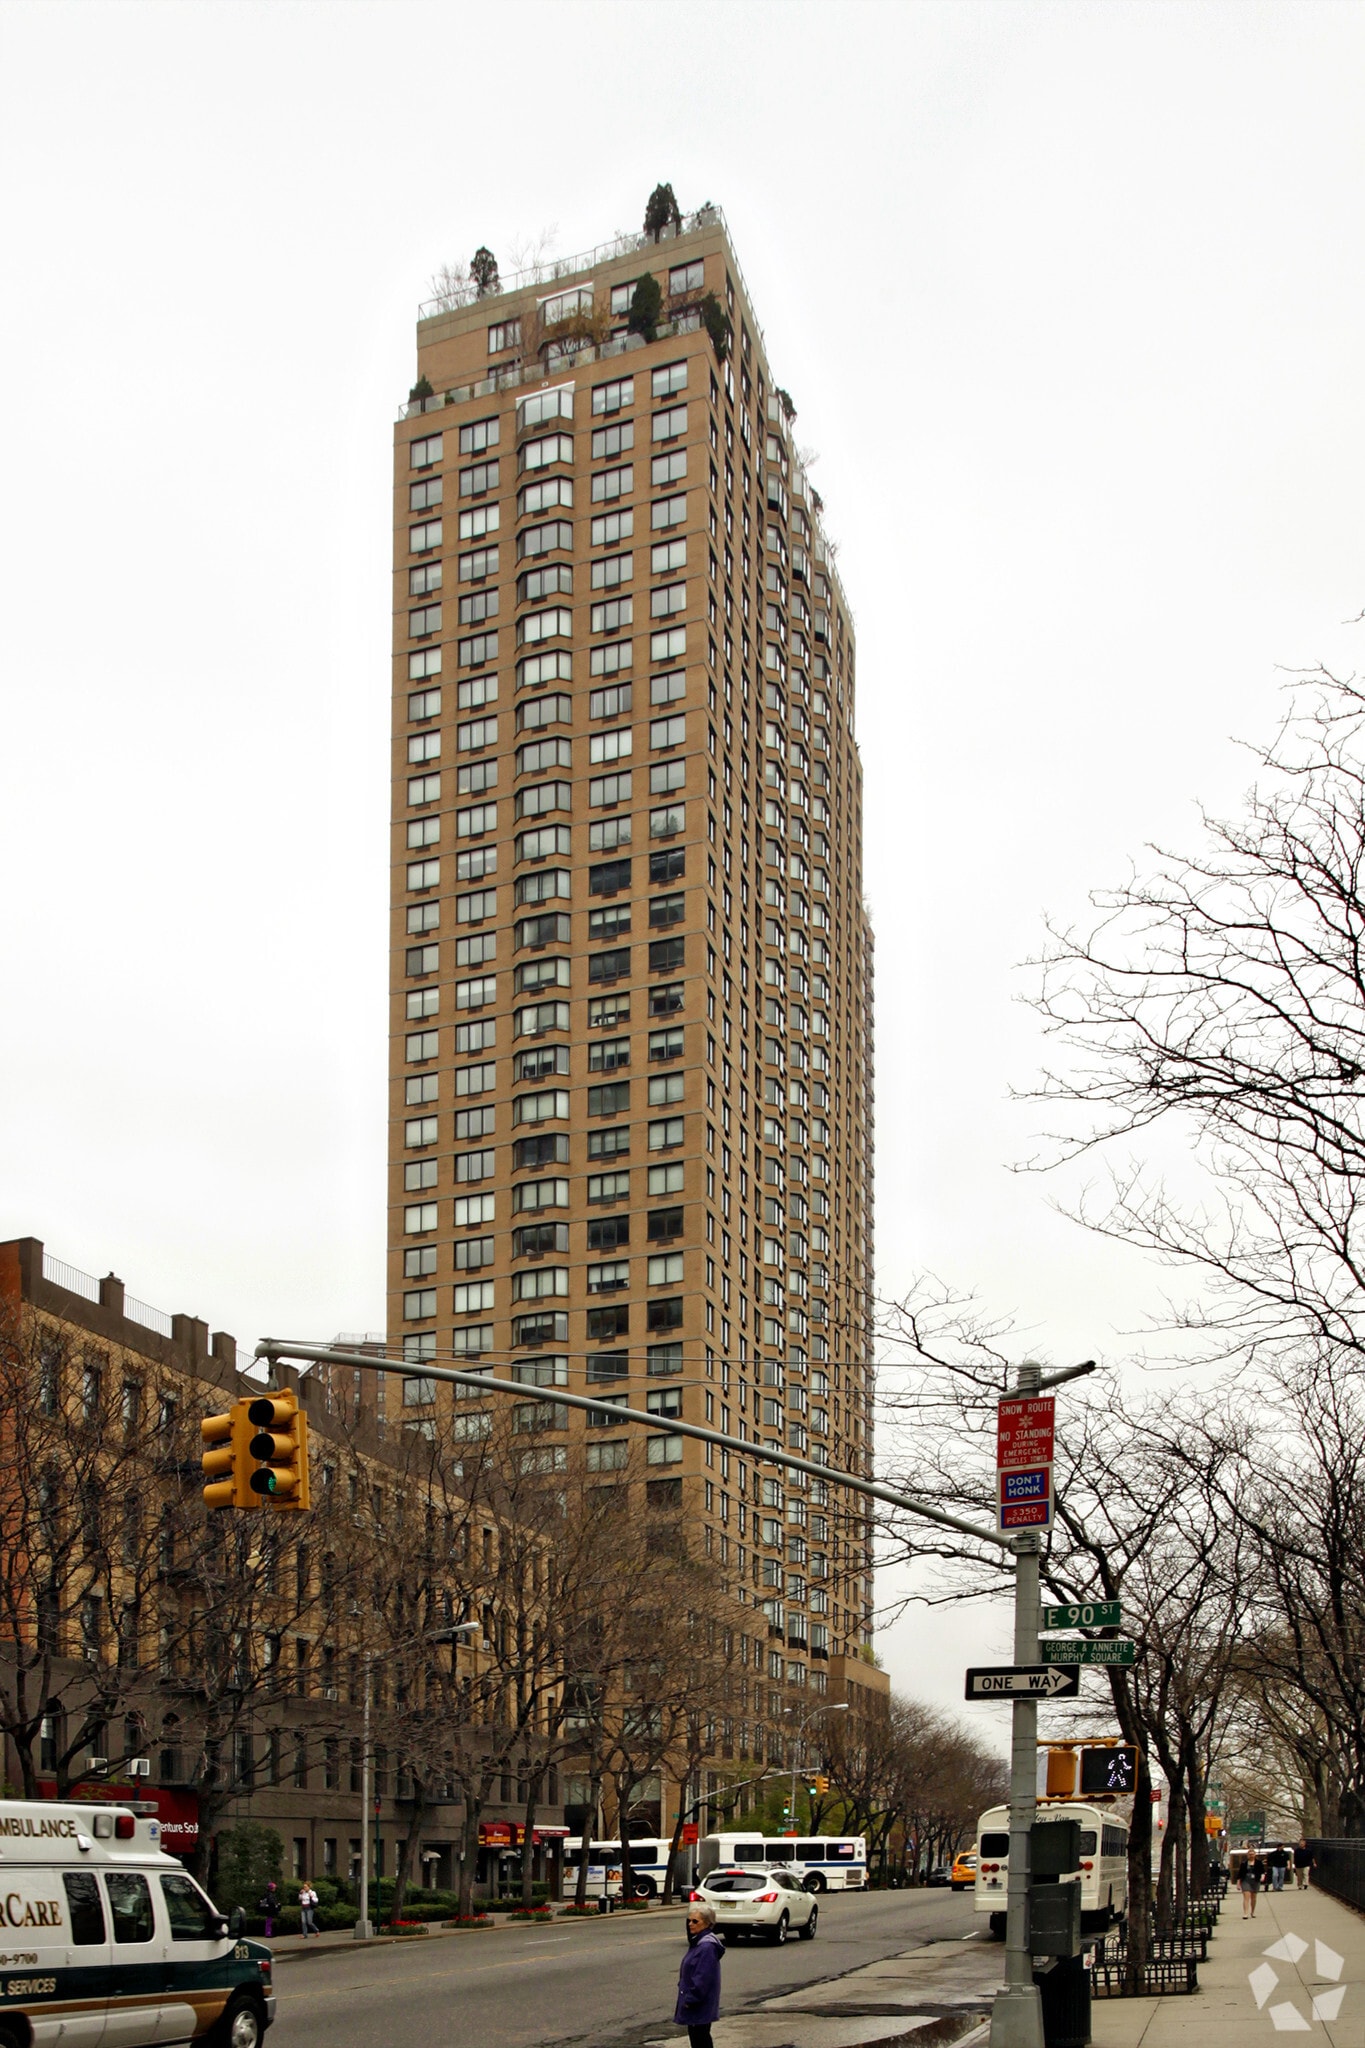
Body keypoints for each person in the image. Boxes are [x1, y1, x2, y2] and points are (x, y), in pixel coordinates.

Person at [674, 1901, 724, 2048]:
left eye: (695, 1921)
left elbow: (703, 1978)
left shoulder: (706, 1946)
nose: (690, 1924)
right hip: (696, 2002)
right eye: (689, 1920)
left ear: (707, 1923)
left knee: (700, 2039)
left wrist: (691, 1999)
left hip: (699, 2003)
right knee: (698, 2038)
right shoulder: (699, 1943)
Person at [1238, 1851, 1265, 1920]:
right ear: (1247, 1855)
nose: (1251, 1856)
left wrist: (1262, 1877)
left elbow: (1262, 1871)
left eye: (1252, 1854)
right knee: (1246, 1896)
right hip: (1246, 1880)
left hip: (1255, 1880)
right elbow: (1240, 1874)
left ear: (1255, 1855)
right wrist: (1238, 1883)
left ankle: (1252, 1912)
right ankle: (1245, 1913)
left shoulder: (1259, 1863)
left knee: (1254, 1897)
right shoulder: (1244, 1863)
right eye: (1249, 1854)